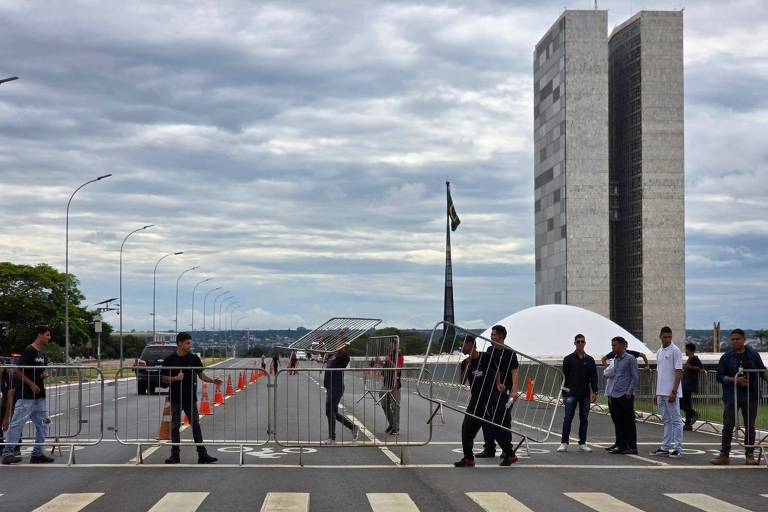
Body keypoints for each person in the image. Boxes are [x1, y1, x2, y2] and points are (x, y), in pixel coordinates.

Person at [454, 325, 518, 467]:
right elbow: (462, 380)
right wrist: (469, 365)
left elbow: (496, 371)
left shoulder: (486, 356)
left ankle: (510, 454)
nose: (461, 347)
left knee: (494, 428)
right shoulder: (465, 363)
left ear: (470, 345)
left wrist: (499, 384)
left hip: (489, 399)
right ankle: (468, 458)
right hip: (476, 399)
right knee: (466, 429)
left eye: (463, 344)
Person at [161, 332, 223, 464]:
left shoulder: (193, 358)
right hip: (176, 398)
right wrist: (175, 378)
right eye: (187, 343)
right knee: (175, 426)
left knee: (195, 425)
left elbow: (201, 375)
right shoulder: (170, 360)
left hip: (190, 398)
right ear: (179, 343)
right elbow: (164, 378)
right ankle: (175, 455)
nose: (190, 345)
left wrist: (213, 381)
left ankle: (202, 455)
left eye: (190, 343)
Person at [710, 328, 768, 466]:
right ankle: (724, 454)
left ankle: (749, 455)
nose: (735, 341)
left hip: (751, 395)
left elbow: (762, 371)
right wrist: (733, 380)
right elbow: (719, 376)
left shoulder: (753, 354)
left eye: (738, 339)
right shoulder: (726, 357)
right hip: (732, 396)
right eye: (733, 339)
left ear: (744, 339)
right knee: (728, 425)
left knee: (750, 426)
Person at [2, 326, 54, 465]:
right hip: (26, 396)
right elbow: (18, 371)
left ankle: (37, 453)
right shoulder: (29, 351)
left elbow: (40, 372)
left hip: (40, 397)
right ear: (40, 335)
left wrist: (44, 375)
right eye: (47, 335)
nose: (49, 338)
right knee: (17, 424)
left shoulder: (41, 355)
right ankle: (8, 453)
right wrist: (31, 384)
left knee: (44, 424)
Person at [557, 334, 598, 453]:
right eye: (578, 341)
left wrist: (594, 391)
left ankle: (582, 443)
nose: (580, 343)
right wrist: (564, 395)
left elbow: (593, 377)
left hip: (585, 394)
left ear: (585, 343)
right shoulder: (568, 359)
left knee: (584, 419)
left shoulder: (590, 360)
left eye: (582, 341)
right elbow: (564, 378)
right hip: (571, 393)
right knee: (567, 418)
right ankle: (564, 443)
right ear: (574, 343)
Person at [650, 327, 684, 458]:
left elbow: (679, 372)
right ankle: (665, 446)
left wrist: (674, 391)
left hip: (671, 392)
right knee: (666, 420)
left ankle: (678, 448)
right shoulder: (659, 351)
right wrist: (656, 392)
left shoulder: (675, 351)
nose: (668, 339)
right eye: (665, 337)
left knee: (676, 420)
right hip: (661, 392)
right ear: (660, 337)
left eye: (669, 337)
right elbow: (659, 373)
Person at [603, 336, 638, 455]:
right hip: (615, 393)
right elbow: (613, 375)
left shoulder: (630, 359)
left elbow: (635, 376)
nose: (613, 348)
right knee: (618, 421)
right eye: (612, 345)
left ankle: (632, 446)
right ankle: (621, 444)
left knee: (628, 421)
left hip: (625, 394)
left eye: (615, 345)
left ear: (622, 345)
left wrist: (629, 392)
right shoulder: (616, 359)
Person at [321, 344, 359, 444]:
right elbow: (323, 356)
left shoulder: (344, 357)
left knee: (330, 411)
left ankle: (332, 438)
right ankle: (353, 427)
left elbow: (341, 350)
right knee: (333, 412)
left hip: (336, 387)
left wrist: (341, 337)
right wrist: (321, 343)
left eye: (340, 346)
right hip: (330, 387)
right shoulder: (334, 356)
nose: (337, 347)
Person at [380, 340, 404, 435]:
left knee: (395, 407)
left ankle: (396, 428)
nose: (390, 346)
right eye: (389, 344)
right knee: (384, 404)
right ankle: (392, 424)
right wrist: (380, 363)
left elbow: (397, 369)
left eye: (391, 344)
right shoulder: (388, 355)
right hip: (386, 383)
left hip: (395, 384)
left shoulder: (400, 356)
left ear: (396, 345)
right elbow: (385, 369)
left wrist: (389, 361)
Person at [0, 355, 22, 456]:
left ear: (3, 365)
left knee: (14, 422)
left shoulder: (9, 375)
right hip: (3, 400)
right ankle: (1, 445)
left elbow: (10, 397)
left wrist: (6, 418)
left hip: (14, 400)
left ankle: (16, 447)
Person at [681, 342, 703, 431]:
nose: (685, 351)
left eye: (686, 349)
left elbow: (701, 368)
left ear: (688, 350)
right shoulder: (690, 358)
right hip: (686, 382)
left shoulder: (694, 358)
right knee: (687, 403)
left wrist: (690, 367)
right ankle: (688, 424)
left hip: (689, 384)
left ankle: (693, 413)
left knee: (679, 401)